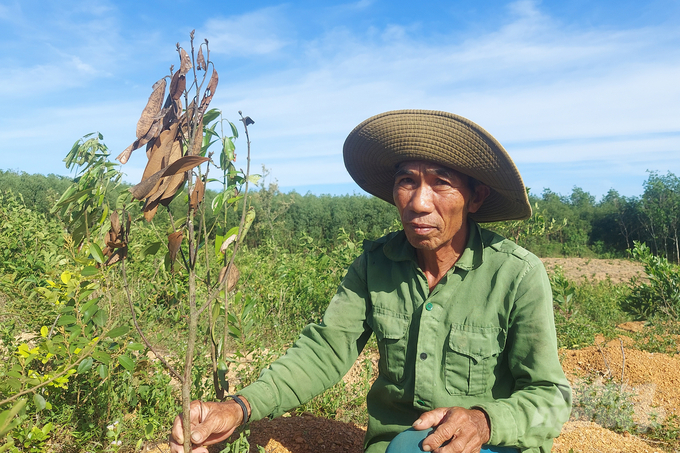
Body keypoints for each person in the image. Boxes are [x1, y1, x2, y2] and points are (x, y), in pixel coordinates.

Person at [171, 110, 571, 453]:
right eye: (407, 181)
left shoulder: (516, 274)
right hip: (397, 444)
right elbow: (325, 349)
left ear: (477, 197)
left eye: (442, 183)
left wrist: (483, 421)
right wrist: (239, 407)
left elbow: (550, 395)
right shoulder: (376, 265)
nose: (418, 202)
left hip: (487, 445)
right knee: (404, 445)